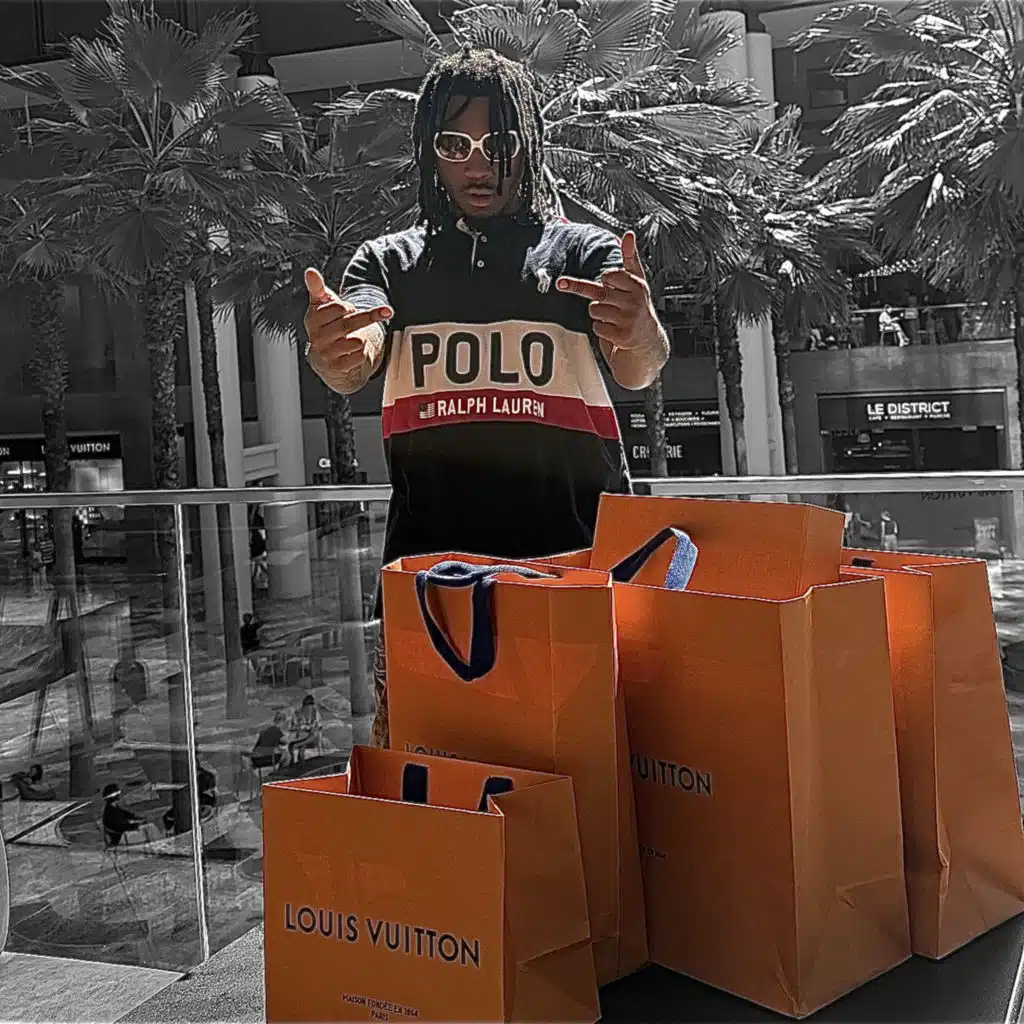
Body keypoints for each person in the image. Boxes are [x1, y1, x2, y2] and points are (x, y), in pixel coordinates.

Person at [303, 47, 669, 746]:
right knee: (433, 793)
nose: (478, 165)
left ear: (528, 144)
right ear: (430, 152)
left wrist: (641, 327)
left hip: (572, 585)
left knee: (582, 788)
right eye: (455, 145)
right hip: (429, 597)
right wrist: (339, 348)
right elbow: (356, 356)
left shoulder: (584, 254)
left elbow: (639, 367)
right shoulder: (388, 263)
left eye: (498, 143)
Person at [101, 783, 148, 847]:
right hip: (119, 840)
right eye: (118, 793)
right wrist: (135, 825)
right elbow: (121, 826)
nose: (120, 795)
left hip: (121, 836)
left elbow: (123, 814)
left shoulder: (112, 807)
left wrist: (135, 817)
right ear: (114, 796)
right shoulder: (111, 813)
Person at [288, 695, 323, 763]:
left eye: (311, 707)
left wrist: (314, 727)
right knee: (297, 748)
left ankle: (299, 747)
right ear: (303, 707)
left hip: (312, 735)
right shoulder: (297, 713)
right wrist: (300, 728)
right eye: (307, 707)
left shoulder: (315, 712)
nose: (309, 709)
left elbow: (319, 725)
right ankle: (294, 763)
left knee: (314, 734)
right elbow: (292, 727)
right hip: (301, 734)